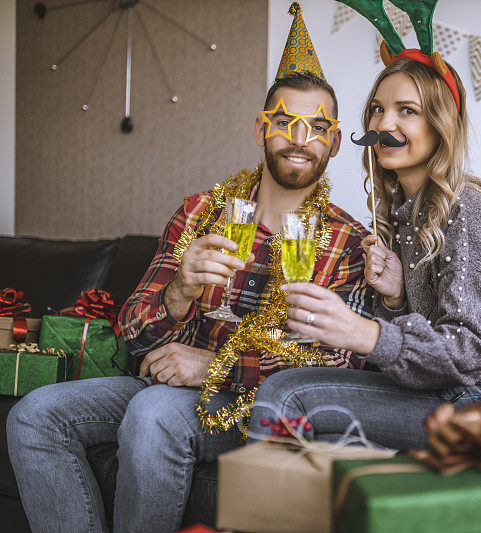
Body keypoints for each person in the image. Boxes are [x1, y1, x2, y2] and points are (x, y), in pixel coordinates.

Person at [6, 6, 371, 531]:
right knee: (34, 416)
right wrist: (179, 289)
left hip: (249, 403)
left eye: (317, 127)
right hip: (163, 385)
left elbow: (336, 373)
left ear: (334, 142)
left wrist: (212, 366)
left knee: (154, 415)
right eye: (284, 121)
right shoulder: (201, 211)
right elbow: (133, 333)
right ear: (259, 129)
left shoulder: (348, 242)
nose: (299, 136)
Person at [248, 51, 481, 449]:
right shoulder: (401, 215)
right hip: (440, 391)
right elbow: (421, 349)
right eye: (377, 110)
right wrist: (399, 298)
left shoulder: (468, 209)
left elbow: (469, 352)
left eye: (407, 111)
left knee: (287, 395)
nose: (384, 124)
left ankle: (261, 511)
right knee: (296, 398)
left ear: (440, 126)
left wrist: (363, 332)